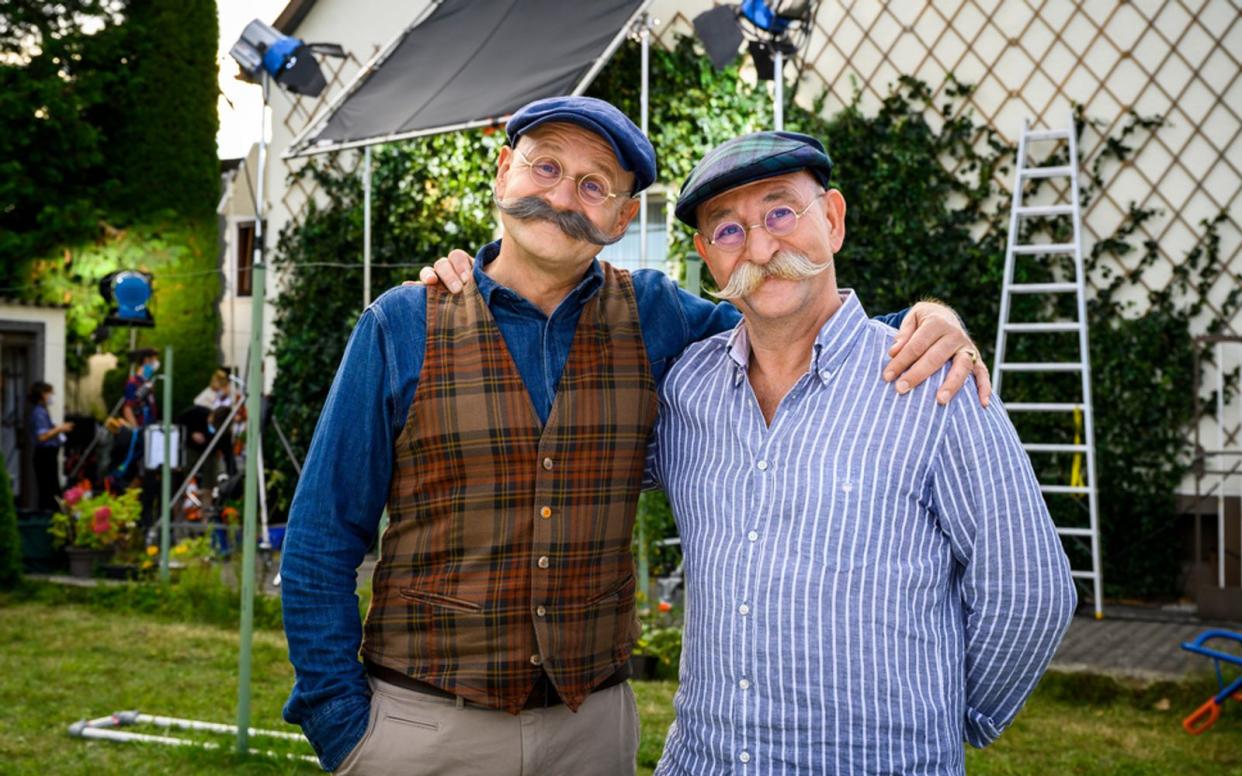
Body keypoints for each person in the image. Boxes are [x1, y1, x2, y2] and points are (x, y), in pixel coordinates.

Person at [280, 96, 985, 775]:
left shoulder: (655, 315)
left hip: (591, 734)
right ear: (503, 173)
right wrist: (342, 725)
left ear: (620, 217)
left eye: (594, 186)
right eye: (545, 167)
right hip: (424, 728)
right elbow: (320, 538)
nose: (559, 197)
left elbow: (795, 327)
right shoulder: (402, 323)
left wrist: (929, 318)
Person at [645, 131, 1077, 774]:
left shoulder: (933, 381)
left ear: (834, 218)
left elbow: (1028, 591)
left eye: (780, 212)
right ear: (707, 255)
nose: (760, 247)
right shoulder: (688, 391)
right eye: (727, 230)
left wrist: (943, 717)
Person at [28, 381, 73, 511]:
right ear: (42, 394)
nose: (52, 395)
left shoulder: (42, 411)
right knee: (49, 488)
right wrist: (60, 429)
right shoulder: (39, 412)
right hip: (45, 454)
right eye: (49, 393)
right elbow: (42, 436)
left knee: (51, 487)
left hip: (48, 454)